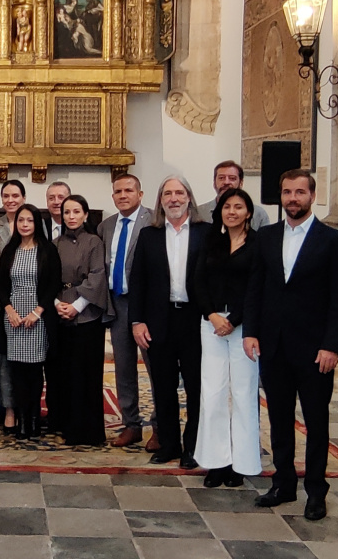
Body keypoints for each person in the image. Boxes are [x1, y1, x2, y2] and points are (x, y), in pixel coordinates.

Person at [243, 169, 338, 521]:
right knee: (278, 418)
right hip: (273, 345)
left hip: (315, 348)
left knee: (316, 421)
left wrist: (332, 345)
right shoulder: (267, 237)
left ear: (312, 196)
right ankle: (283, 483)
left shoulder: (333, 240)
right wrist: (251, 331)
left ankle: (316, 491)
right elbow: (256, 287)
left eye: (299, 192)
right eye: (287, 192)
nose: (293, 198)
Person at [130, 177, 210, 469]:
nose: (173, 199)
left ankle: (194, 447)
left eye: (179, 193)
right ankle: (169, 444)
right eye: (167, 194)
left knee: (196, 387)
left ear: (189, 197)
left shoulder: (207, 233)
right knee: (162, 387)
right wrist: (137, 321)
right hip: (159, 319)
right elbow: (137, 280)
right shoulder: (149, 235)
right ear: (160, 200)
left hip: (195, 321)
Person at [191, 188, 262, 489]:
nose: (232, 211)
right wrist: (212, 315)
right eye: (227, 207)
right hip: (212, 324)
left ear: (249, 212)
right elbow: (197, 281)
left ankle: (241, 463)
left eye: (238, 207)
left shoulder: (258, 245)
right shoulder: (211, 241)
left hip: (244, 328)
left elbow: (257, 288)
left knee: (244, 395)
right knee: (213, 393)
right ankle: (216, 462)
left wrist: (234, 320)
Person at [97, 173, 152, 449]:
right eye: (118, 191)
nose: (123, 195)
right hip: (118, 304)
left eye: (128, 190)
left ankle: (161, 425)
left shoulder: (154, 221)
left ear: (140, 194)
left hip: (147, 305)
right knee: (123, 368)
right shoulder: (105, 226)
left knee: (156, 368)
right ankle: (131, 424)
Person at [0, 203, 59, 439]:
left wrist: (37, 311)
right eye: (21, 220)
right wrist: (9, 310)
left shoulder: (47, 250)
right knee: (16, 372)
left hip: (38, 317)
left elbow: (53, 284)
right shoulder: (9, 250)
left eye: (29, 221)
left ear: (37, 223)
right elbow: (1, 286)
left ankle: (34, 420)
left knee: (35, 372)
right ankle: (22, 421)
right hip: (13, 318)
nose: (24, 225)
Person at [53, 195, 110, 446]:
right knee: (66, 375)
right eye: (67, 212)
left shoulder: (94, 242)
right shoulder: (55, 244)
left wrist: (76, 306)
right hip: (60, 312)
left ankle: (91, 431)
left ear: (85, 214)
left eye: (76, 211)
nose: (71, 216)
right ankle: (69, 427)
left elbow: (97, 275)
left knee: (87, 374)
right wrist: (57, 304)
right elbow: (48, 278)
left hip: (86, 314)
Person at [0, 179, 27, 432]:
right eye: (6, 196)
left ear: (23, 198)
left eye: (15, 195)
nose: (11, 200)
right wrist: (6, 287)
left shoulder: (33, 222)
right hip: (3, 302)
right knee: (4, 359)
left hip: (31, 303)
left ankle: (27, 408)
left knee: (29, 360)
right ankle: (9, 409)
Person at [199, 161, 271, 230]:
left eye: (232, 178)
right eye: (221, 178)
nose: (226, 182)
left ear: (241, 183)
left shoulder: (258, 214)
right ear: (214, 183)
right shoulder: (199, 213)